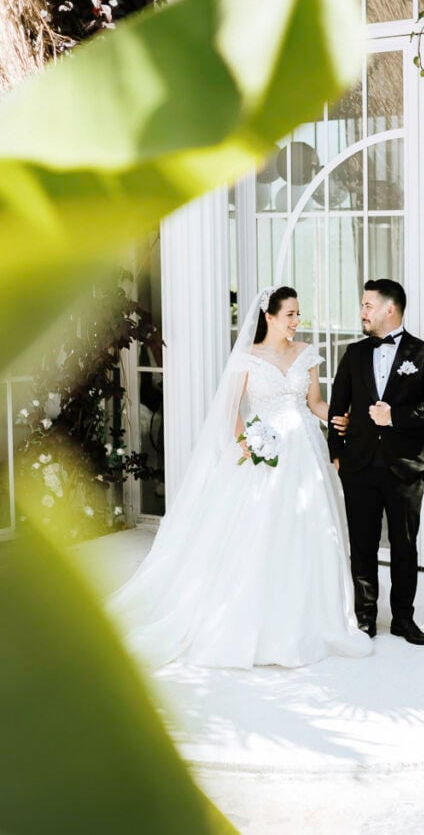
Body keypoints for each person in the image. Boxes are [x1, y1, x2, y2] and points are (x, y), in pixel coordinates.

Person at [110, 286, 372, 669]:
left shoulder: (306, 354)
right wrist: (246, 442)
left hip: (306, 452)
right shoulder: (248, 357)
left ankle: (311, 615)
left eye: (299, 314)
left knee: (309, 528)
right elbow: (231, 409)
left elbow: (315, 403)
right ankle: (255, 620)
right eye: (289, 315)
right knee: (260, 530)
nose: (296, 322)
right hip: (266, 450)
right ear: (269, 317)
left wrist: (338, 418)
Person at [328, 279, 424, 645]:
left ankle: (403, 619)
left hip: (405, 468)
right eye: (363, 305)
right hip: (360, 466)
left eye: (368, 305)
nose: (362, 312)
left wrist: (395, 416)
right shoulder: (353, 354)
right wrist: (336, 452)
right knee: (362, 545)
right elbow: (338, 406)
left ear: (389, 309)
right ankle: (365, 618)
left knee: (404, 545)